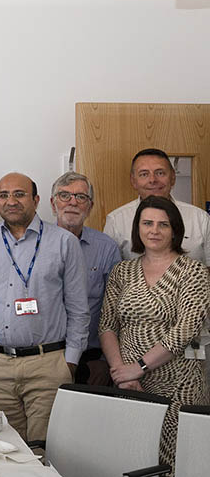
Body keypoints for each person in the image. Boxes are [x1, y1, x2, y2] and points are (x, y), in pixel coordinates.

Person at [0, 172, 89, 443]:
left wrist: (69, 362)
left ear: (36, 200)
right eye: (3, 195)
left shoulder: (63, 242)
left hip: (48, 365)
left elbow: (79, 309)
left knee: (42, 451)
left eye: (19, 194)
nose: (11, 201)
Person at [100, 196, 210, 469]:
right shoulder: (122, 271)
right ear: (137, 227)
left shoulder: (193, 271)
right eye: (147, 223)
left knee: (177, 462)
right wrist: (121, 372)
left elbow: (187, 328)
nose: (154, 230)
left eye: (164, 224)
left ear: (176, 230)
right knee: (133, 459)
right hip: (130, 386)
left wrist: (139, 366)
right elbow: (107, 325)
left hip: (180, 385)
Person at [49, 172, 122, 386]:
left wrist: (104, 360)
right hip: (45, 356)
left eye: (81, 197)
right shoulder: (36, 244)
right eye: (64, 196)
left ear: (89, 207)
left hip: (91, 361)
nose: (72, 202)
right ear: (53, 204)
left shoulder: (106, 248)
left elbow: (115, 310)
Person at [104, 148, 209, 264]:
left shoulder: (201, 218)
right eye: (144, 174)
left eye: (160, 173)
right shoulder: (116, 221)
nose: (153, 180)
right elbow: (110, 272)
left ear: (173, 178)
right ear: (133, 181)